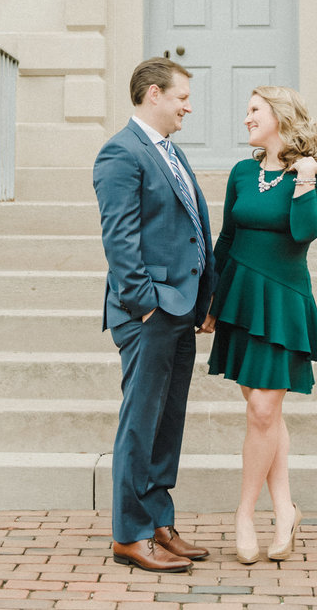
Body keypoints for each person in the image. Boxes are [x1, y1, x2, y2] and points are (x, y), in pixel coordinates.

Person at [93, 57, 216, 573]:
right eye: (181, 95)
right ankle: (130, 533)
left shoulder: (172, 153)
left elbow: (192, 229)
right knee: (140, 424)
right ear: (152, 95)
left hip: (180, 309)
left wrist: (202, 301)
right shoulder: (120, 153)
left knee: (168, 423)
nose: (188, 105)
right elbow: (119, 238)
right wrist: (145, 303)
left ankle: (160, 523)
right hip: (148, 310)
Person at [205, 86, 317, 565]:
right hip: (240, 297)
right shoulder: (242, 173)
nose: (246, 119)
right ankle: (285, 509)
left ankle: (243, 514)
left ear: (280, 116)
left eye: (253, 110)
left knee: (262, 410)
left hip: (282, 303)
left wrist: (303, 178)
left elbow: (305, 231)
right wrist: (212, 300)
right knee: (266, 415)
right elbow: (227, 236)